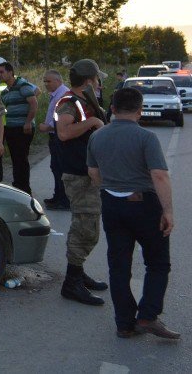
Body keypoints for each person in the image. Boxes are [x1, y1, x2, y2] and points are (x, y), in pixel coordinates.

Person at [88, 87, 179, 340]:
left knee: (118, 267)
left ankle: (124, 324)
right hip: (144, 205)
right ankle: (148, 316)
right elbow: (159, 175)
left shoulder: (98, 136)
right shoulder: (146, 137)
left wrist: (111, 190)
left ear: (113, 109)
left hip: (112, 205)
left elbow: (94, 174)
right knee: (158, 262)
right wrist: (168, 211)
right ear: (140, 110)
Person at [55, 58, 109, 306]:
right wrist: (93, 122)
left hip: (87, 174)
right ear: (89, 80)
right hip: (78, 176)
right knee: (84, 228)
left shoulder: (85, 100)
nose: (99, 83)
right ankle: (72, 283)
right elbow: (64, 132)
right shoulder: (69, 103)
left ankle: (78, 272)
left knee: (88, 227)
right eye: (97, 79)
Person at [0, 61, 39, 194]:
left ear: (10, 72)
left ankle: (24, 189)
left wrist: (28, 122)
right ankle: (16, 185)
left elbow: (34, 103)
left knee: (20, 159)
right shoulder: (6, 90)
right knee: (14, 157)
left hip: (22, 128)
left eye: (1, 72)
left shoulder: (22, 85)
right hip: (10, 128)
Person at [39, 70, 71, 210]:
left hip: (58, 135)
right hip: (55, 135)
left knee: (60, 168)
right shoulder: (57, 94)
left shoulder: (63, 95)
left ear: (58, 81)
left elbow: (62, 118)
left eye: (48, 81)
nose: (46, 84)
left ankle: (63, 200)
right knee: (56, 167)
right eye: (45, 81)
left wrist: (48, 127)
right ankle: (58, 196)